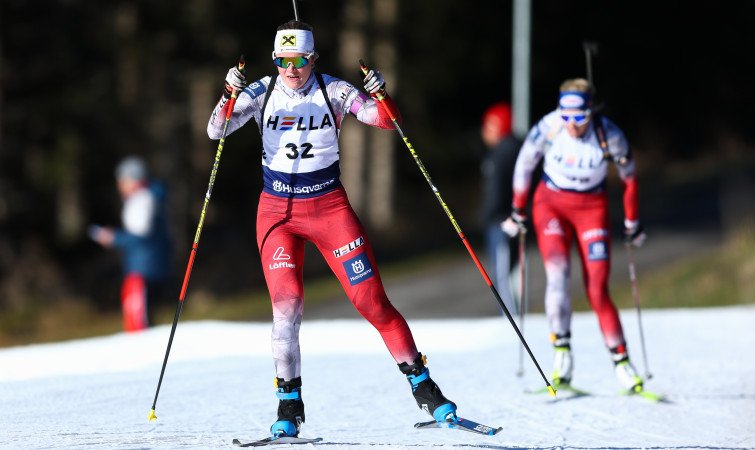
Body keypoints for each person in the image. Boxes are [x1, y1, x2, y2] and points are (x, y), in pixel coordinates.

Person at [206, 20, 458, 438]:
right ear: (275, 60)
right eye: (283, 60)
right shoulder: (260, 92)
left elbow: (383, 120)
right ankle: (289, 404)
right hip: (277, 213)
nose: (292, 69)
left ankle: (425, 387)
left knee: (371, 302)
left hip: (329, 208)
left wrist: (381, 91)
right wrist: (228, 93)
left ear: (313, 58)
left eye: (300, 60)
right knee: (286, 310)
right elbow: (216, 130)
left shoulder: (334, 91)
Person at [501, 78, 647, 392]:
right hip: (550, 206)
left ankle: (623, 365)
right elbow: (525, 165)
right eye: (565, 116)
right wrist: (518, 209)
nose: (571, 125)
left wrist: (632, 223)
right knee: (557, 276)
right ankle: (562, 359)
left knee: (597, 288)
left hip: (591, 209)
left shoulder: (609, 135)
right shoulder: (549, 127)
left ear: (591, 111)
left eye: (578, 118)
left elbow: (630, 179)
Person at [88, 156, 172, 332]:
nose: (120, 185)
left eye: (123, 180)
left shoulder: (142, 199)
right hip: (144, 265)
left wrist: (114, 238)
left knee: (138, 324)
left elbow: (140, 235)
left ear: (134, 180)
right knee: (141, 320)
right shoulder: (145, 197)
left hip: (143, 267)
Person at [479, 102, 522, 315]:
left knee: (503, 276)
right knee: (507, 274)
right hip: (506, 220)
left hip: (502, 222)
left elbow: (497, 192)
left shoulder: (503, 154)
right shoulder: (512, 150)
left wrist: (497, 215)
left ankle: (509, 319)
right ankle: (510, 316)